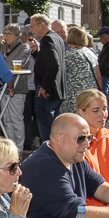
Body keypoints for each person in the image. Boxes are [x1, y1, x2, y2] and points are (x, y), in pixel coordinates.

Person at [30, 14, 66, 142]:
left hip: (47, 91)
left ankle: (50, 158)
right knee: (55, 128)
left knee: (48, 134)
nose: (31, 30)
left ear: (41, 25)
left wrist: (44, 87)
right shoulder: (56, 38)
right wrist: (36, 52)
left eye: (32, 26)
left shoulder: (48, 39)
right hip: (57, 91)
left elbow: (53, 65)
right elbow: (48, 62)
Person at [1, 23, 31, 150]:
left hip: (18, 87)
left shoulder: (24, 47)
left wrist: (3, 66)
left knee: (16, 119)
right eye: (5, 33)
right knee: (6, 119)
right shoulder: (3, 47)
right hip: (3, 87)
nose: (6, 36)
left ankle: (18, 148)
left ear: (17, 36)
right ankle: (10, 146)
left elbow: (15, 64)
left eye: (9, 34)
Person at [59, 26, 101, 115]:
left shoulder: (68, 55)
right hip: (91, 94)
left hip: (74, 97)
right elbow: (99, 76)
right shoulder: (90, 53)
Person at [96, 26, 109, 94]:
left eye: (101, 36)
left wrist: (96, 69)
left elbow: (104, 65)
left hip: (105, 75)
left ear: (108, 36)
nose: (100, 39)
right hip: (103, 75)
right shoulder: (107, 46)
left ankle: (106, 105)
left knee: (103, 95)